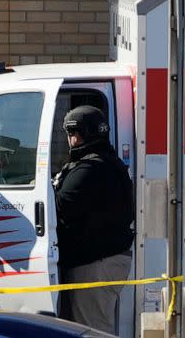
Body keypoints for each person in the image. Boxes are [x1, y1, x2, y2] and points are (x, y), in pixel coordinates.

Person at [54, 105, 135, 334]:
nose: (71, 140)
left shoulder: (92, 168)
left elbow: (61, 206)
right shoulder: (105, 164)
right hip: (96, 261)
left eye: (73, 133)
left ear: (86, 133)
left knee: (92, 331)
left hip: (96, 264)